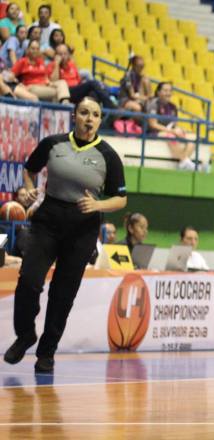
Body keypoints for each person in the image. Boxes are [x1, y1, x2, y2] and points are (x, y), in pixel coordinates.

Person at [3, 97, 127, 373]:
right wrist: (28, 189)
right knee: (29, 281)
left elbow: (120, 200)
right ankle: (25, 334)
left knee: (63, 294)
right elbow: (29, 170)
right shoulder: (53, 143)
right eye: (84, 112)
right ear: (75, 116)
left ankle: (47, 352)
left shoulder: (108, 155)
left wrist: (97, 204)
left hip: (83, 228)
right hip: (48, 220)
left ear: (99, 120)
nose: (89, 118)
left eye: (95, 114)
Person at [146, 82, 197, 170]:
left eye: (170, 91)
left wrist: (179, 129)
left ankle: (183, 162)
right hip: (154, 133)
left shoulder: (173, 107)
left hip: (169, 132)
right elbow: (152, 124)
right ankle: (185, 161)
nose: (168, 93)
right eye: (165, 90)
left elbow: (174, 124)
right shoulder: (153, 104)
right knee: (171, 136)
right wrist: (171, 131)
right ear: (158, 92)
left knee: (193, 136)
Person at [47, 44, 115, 108]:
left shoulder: (72, 65)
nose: (63, 56)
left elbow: (79, 80)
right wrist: (57, 64)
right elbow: (53, 81)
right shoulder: (52, 65)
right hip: (66, 91)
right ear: (56, 55)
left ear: (69, 55)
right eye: (60, 54)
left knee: (93, 94)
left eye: (65, 53)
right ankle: (110, 106)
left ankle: (100, 117)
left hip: (77, 90)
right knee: (92, 83)